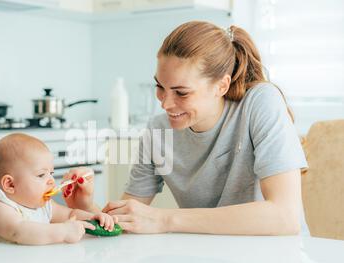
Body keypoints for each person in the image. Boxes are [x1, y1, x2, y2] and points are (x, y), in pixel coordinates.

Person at [67, 21, 308, 236]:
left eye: (181, 92)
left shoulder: (259, 102)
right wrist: (87, 207)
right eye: (160, 86)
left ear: (221, 86)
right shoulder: (157, 131)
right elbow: (127, 221)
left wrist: (164, 219)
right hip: (203, 262)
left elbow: (285, 217)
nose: (165, 103)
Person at [0, 133, 116, 247]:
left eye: (51, 174)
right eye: (41, 175)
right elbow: (20, 231)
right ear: (10, 185)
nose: (51, 181)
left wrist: (93, 217)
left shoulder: (44, 205)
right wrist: (64, 231)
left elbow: (71, 214)